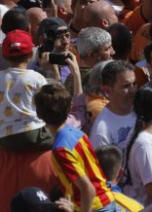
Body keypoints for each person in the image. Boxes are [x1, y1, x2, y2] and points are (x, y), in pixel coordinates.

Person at [34, 81, 117, 212]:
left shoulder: (60, 149)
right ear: (69, 109)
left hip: (95, 207)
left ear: (38, 114)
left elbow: (87, 188)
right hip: (106, 200)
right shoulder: (78, 133)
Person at [90, 61, 137, 153]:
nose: (133, 90)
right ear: (107, 90)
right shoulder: (101, 131)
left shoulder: (143, 110)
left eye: (134, 84)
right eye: (126, 86)